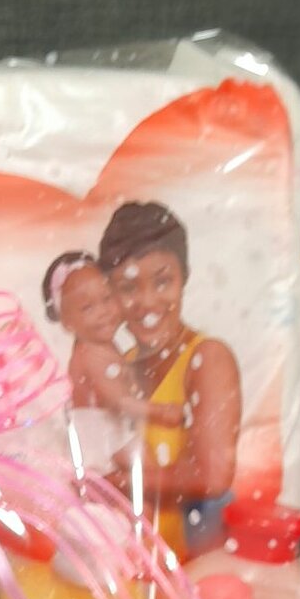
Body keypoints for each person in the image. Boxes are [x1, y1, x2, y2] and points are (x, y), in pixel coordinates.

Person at [97, 202, 242, 559]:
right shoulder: (118, 367)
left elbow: (213, 476)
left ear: (184, 277)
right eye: (128, 287)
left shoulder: (206, 358)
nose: (147, 302)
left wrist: (117, 484)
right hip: (120, 562)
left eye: (162, 282)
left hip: (189, 569)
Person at [41, 250, 185, 424]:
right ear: (67, 322)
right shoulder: (89, 355)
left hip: (113, 430)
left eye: (107, 298)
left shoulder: (100, 345)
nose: (103, 312)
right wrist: (161, 411)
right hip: (100, 435)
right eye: (88, 308)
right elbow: (121, 403)